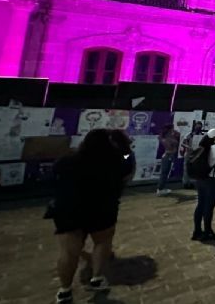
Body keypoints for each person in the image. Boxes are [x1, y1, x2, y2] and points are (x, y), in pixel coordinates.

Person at [52, 129, 134, 304]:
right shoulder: (115, 161)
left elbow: (55, 175)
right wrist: (127, 150)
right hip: (102, 209)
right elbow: (127, 171)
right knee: (102, 243)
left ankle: (65, 290)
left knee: (68, 252)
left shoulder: (68, 160)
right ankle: (97, 278)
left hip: (69, 210)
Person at [156, 123, 180, 196]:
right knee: (164, 173)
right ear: (170, 129)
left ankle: (161, 188)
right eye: (173, 128)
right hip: (168, 156)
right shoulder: (169, 138)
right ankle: (160, 189)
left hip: (167, 156)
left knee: (165, 173)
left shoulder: (164, 137)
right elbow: (171, 147)